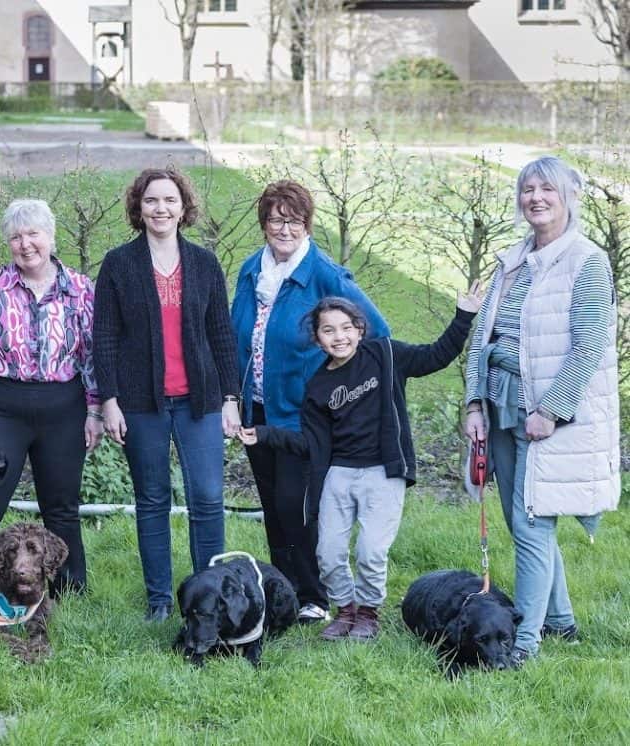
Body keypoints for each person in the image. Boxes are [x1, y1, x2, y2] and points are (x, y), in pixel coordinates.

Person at [241, 285, 483, 641]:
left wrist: (464, 315)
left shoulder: (385, 355)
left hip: (383, 471)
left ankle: (368, 612)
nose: (338, 336)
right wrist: (264, 434)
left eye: (345, 327)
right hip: (339, 473)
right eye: (328, 330)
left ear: (359, 328)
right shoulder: (319, 385)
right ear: (318, 339)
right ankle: (345, 610)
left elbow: (436, 356)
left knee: (370, 550)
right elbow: (310, 443)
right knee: (329, 551)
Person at [464, 156, 619, 665]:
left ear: (568, 196)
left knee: (532, 523)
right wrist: (474, 401)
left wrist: (551, 411)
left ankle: (524, 644)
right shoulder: (512, 259)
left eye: (546, 189)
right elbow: (483, 338)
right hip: (501, 401)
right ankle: (560, 621)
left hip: (546, 412)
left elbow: (589, 345)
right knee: (520, 521)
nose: (535, 197)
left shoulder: (587, 261)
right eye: (527, 188)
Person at [231, 180, 389, 625]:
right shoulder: (251, 272)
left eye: (295, 220)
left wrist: (342, 388)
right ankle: (282, 590)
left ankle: (314, 594)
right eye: (277, 219)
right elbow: (233, 335)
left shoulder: (324, 274)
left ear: (307, 225)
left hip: (305, 415)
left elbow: (376, 333)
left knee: (294, 505)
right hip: (256, 411)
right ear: (263, 223)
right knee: (271, 505)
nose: (285, 229)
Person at [93, 168, 241, 622]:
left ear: (183, 208)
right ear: (139, 208)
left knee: (208, 498)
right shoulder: (119, 264)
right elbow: (105, 337)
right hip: (141, 404)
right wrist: (109, 400)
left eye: (170, 200)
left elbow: (220, 333)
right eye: (152, 200)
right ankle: (159, 600)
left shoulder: (204, 263)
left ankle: (209, 595)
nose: (161, 208)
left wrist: (231, 399)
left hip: (200, 402)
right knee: (152, 500)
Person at [0, 199, 101, 593]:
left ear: (51, 236)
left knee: (61, 505)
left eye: (33, 234)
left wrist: (95, 409)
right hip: (0, 405)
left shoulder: (80, 289)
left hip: (62, 405)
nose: (25, 244)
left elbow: (93, 355)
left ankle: (68, 589)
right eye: (16, 237)